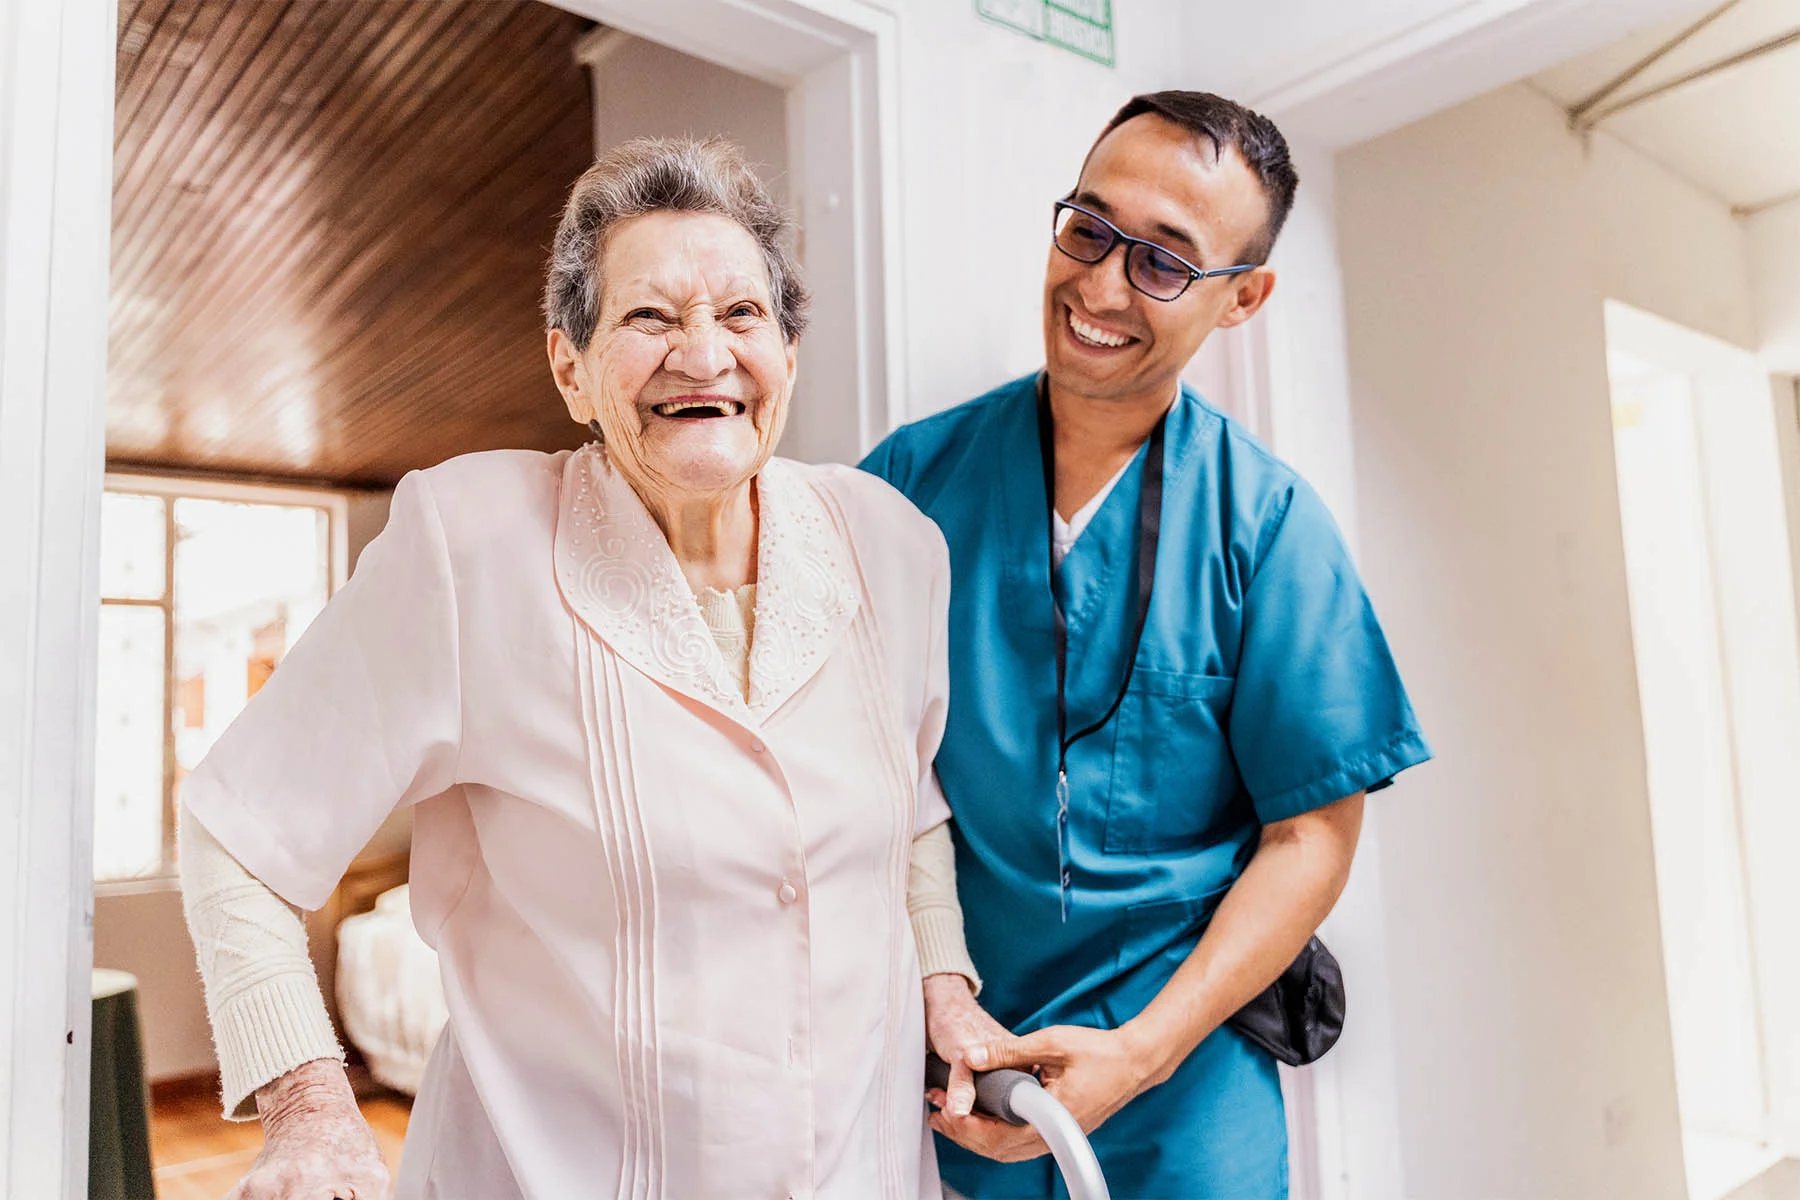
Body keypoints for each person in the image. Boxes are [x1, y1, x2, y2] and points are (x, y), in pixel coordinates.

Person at [177, 135, 983, 1200]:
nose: (704, 355)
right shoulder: (469, 547)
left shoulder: (894, 545)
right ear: (572, 367)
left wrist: (944, 983)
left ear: (787, 352)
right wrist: (310, 1109)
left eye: (742, 314)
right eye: (649, 317)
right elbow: (241, 830)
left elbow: (909, 801)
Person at [862, 91, 1433, 1198]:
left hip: (1184, 1088)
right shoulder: (907, 488)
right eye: (1089, 227)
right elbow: (859, 780)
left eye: (1166, 263)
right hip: (961, 1064)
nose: (1103, 285)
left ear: (1243, 299)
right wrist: (936, 998)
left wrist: (1139, 1053)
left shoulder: (1267, 528)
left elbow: (1311, 835)